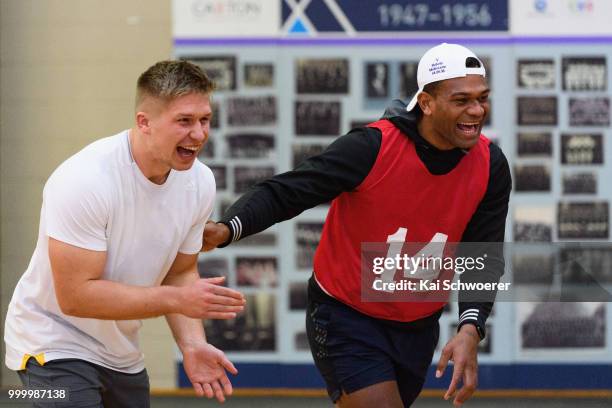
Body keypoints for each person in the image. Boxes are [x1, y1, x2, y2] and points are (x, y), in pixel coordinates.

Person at [204, 43, 511, 407]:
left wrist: (470, 328)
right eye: (462, 100)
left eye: (482, 98)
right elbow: (287, 191)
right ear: (426, 103)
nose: (476, 111)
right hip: (345, 314)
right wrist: (226, 229)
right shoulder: (372, 147)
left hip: (417, 324)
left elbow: (484, 254)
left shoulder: (490, 165)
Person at [4, 60, 246, 407]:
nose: (199, 133)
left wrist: (192, 343)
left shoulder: (199, 182)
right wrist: (175, 299)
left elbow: (179, 273)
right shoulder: (84, 179)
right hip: (51, 342)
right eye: (184, 121)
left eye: (204, 120)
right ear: (143, 122)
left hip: (121, 352)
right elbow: (76, 296)